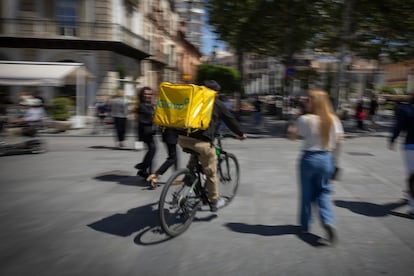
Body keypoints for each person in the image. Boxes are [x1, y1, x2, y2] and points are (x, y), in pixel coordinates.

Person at [177, 80, 246, 212]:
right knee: (211, 171)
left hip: (182, 138)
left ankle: (189, 174)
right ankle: (214, 201)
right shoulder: (216, 103)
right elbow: (230, 120)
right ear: (216, 92)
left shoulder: (194, 99)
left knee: (196, 151)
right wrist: (241, 134)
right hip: (200, 142)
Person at [287, 89, 344, 245]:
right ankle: (328, 221)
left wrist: (293, 120)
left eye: (307, 99)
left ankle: (305, 225)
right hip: (327, 159)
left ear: (313, 102)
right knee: (323, 192)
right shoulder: (334, 119)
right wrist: (335, 162)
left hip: (309, 159)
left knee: (306, 194)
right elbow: (339, 141)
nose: (305, 101)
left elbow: (292, 136)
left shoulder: (305, 119)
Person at [389, 93, 414, 218]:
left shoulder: (406, 109)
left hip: (410, 146)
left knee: (411, 176)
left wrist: (392, 139)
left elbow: (399, 126)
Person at [134, 86, 156, 180]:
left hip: (149, 131)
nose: (148, 95)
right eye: (146, 94)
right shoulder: (141, 105)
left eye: (150, 94)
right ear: (142, 95)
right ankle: (143, 167)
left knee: (152, 150)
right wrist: (154, 118)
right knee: (153, 149)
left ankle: (147, 172)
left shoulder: (149, 104)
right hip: (145, 131)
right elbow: (143, 120)